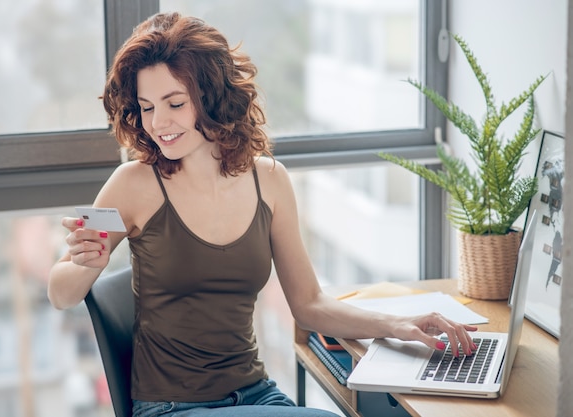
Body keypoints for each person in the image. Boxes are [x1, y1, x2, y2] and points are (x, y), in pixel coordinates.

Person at [47, 11, 478, 417]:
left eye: (174, 103)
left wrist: (398, 325)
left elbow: (309, 305)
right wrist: (88, 263)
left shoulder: (269, 180)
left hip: (255, 393)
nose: (159, 122)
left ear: (212, 98)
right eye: (147, 106)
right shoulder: (131, 184)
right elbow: (60, 292)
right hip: (172, 407)